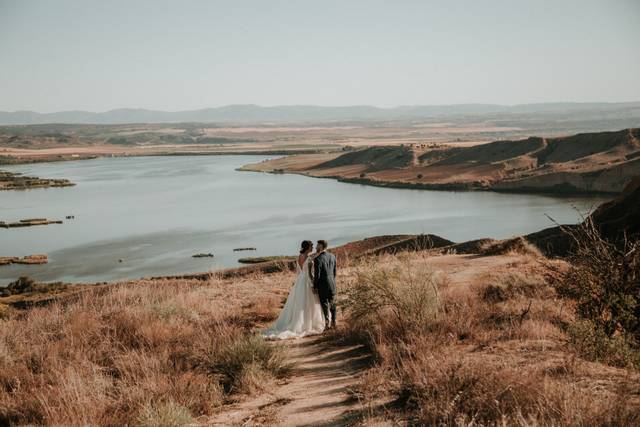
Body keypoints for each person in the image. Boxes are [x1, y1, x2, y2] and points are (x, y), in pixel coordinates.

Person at [261, 240, 325, 339]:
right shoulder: (308, 259)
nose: (312, 248)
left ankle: (295, 321)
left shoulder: (299, 257)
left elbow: (299, 272)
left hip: (300, 281)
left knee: (298, 303)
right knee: (307, 303)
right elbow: (310, 274)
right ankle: (306, 324)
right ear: (308, 247)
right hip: (306, 281)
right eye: (311, 246)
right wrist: (313, 284)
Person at [313, 240, 337, 329]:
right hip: (332, 283)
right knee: (333, 303)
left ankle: (327, 324)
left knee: (324, 304)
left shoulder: (318, 259)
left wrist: (315, 286)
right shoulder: (333, 256)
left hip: (323, 285)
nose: (316, 247)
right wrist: (332, 281)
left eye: (317, 245)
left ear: (322, 246)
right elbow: (335, 272)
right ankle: (334, 322)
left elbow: (317, 275)